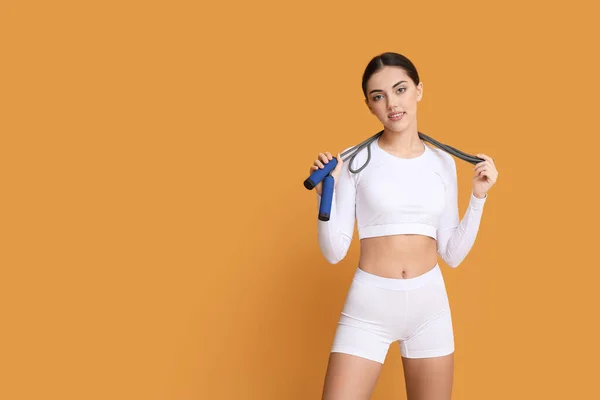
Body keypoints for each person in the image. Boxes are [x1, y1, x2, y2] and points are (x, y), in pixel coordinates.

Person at [309, 52, 499, 400]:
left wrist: (478, 198)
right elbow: (334, 251)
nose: (391, 104)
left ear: (418, 91)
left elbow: (452, 254)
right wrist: (326, 197)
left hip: (429, 308)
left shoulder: (443, 162)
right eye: (378, 96)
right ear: (369, 105)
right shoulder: (352, 159)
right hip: (369, 307)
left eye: (400, 90)